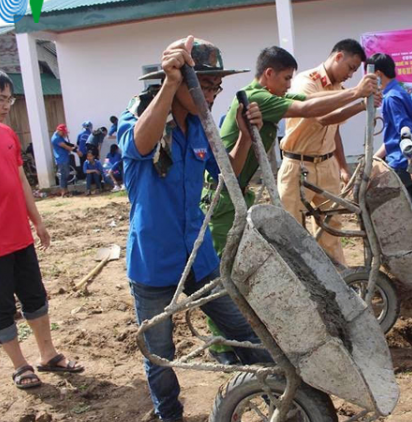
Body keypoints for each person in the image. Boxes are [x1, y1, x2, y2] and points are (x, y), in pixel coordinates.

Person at [117, 36, 271, 422]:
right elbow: (139, 145)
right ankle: (169, 414)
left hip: (199, 254)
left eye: (217, 85)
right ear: (177, 79)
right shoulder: (138, 117)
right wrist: (170, 85)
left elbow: (226, 174)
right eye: (205, 84)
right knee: (159, 353)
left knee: (243, 329)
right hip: (154, 260)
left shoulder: (201, 127)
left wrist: (245, 135)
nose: (214, 93)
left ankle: (280, 397)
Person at [0, 67, 84, 391]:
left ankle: (47, 354)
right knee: (1, 307)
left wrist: (37, 221)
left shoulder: (6, 134)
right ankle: (20, 365)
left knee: (35, 297)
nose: (7, 104)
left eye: (10, 98)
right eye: (1, 98)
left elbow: (21, 180)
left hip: (19, 237)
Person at [206, 46, 378, 257]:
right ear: (269, 74)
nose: (289, 85)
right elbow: (307, 110)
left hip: (239, 190)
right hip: (223, 192)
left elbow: (310, 102)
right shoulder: (256, 97)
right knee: (227, 259)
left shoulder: (269, 95)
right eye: (286, 79)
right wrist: (355, 92)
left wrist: (359, 101)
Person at [276, 39, 375, 264]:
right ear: (338, 56)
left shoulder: (339, 89)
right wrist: (357, 97)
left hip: (327, 165)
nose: (351, 75)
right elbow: (321, 117)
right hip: (298, 166)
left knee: (332, 228)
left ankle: (336, 284)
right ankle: (299, 284)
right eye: (350, 67)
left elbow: (334, 130)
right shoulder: (306, 81)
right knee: (292, 229)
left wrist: (342, 166)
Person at [367, 53, 412, 245]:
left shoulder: (391, 98)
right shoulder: (400, 92)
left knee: (393, 212)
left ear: (378, 74)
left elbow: (406, 132)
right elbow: (394, 138)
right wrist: (373, 158)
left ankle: (408, 253)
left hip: (402, 164)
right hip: (410, 160)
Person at [51, 123, 75, 197]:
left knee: (66, 174)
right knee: (63, 175)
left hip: (64, 157)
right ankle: (63, 191)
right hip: (61, 159)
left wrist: (73, 146)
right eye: (63, 132)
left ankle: (66, 190)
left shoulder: (59, 136)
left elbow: (66, 143)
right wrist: (74, 149)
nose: (64, 133)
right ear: (59, 130)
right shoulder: (56, 138)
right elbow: (65, 146)